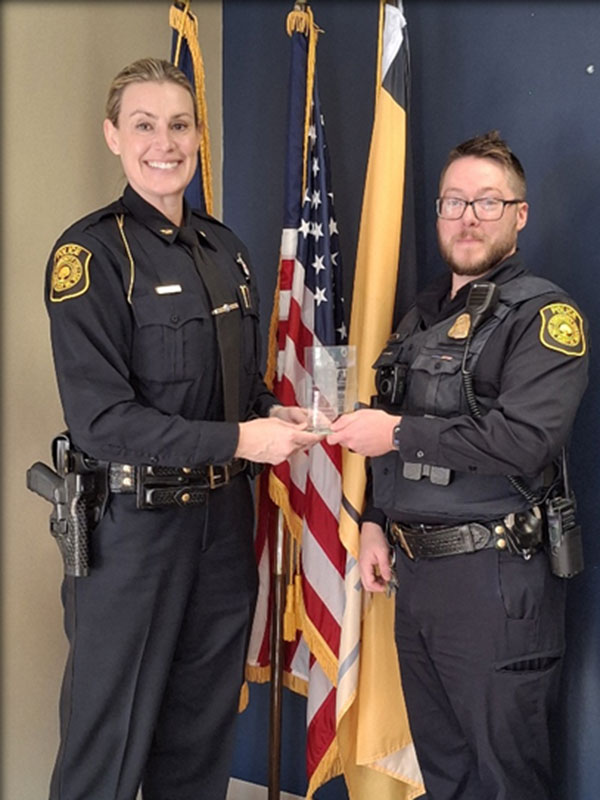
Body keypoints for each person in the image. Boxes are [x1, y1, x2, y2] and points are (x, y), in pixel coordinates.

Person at [44, 57, 319, 800]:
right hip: (133, 533)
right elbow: (103, 423)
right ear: (113, 136)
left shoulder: (227, 252)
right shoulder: (90, 256)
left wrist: (269, 413)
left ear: (198, 136)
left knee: (199, 744)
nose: (163, 143)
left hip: (222, 529)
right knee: (106, 750)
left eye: (179, 125)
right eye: (144, 125)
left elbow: (239, 390)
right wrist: (242, 441)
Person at [328, 131, 588, 800]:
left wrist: (395, 432)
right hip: (417, 578)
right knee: (446, 775)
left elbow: (524, 440)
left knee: (506, 780)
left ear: (519, 215)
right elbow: (398, 434)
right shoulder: (420, 319)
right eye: (454, 202)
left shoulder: (544, 317)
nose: (468, 218)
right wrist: (376, 521)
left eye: (487, 202)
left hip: (495, 583)